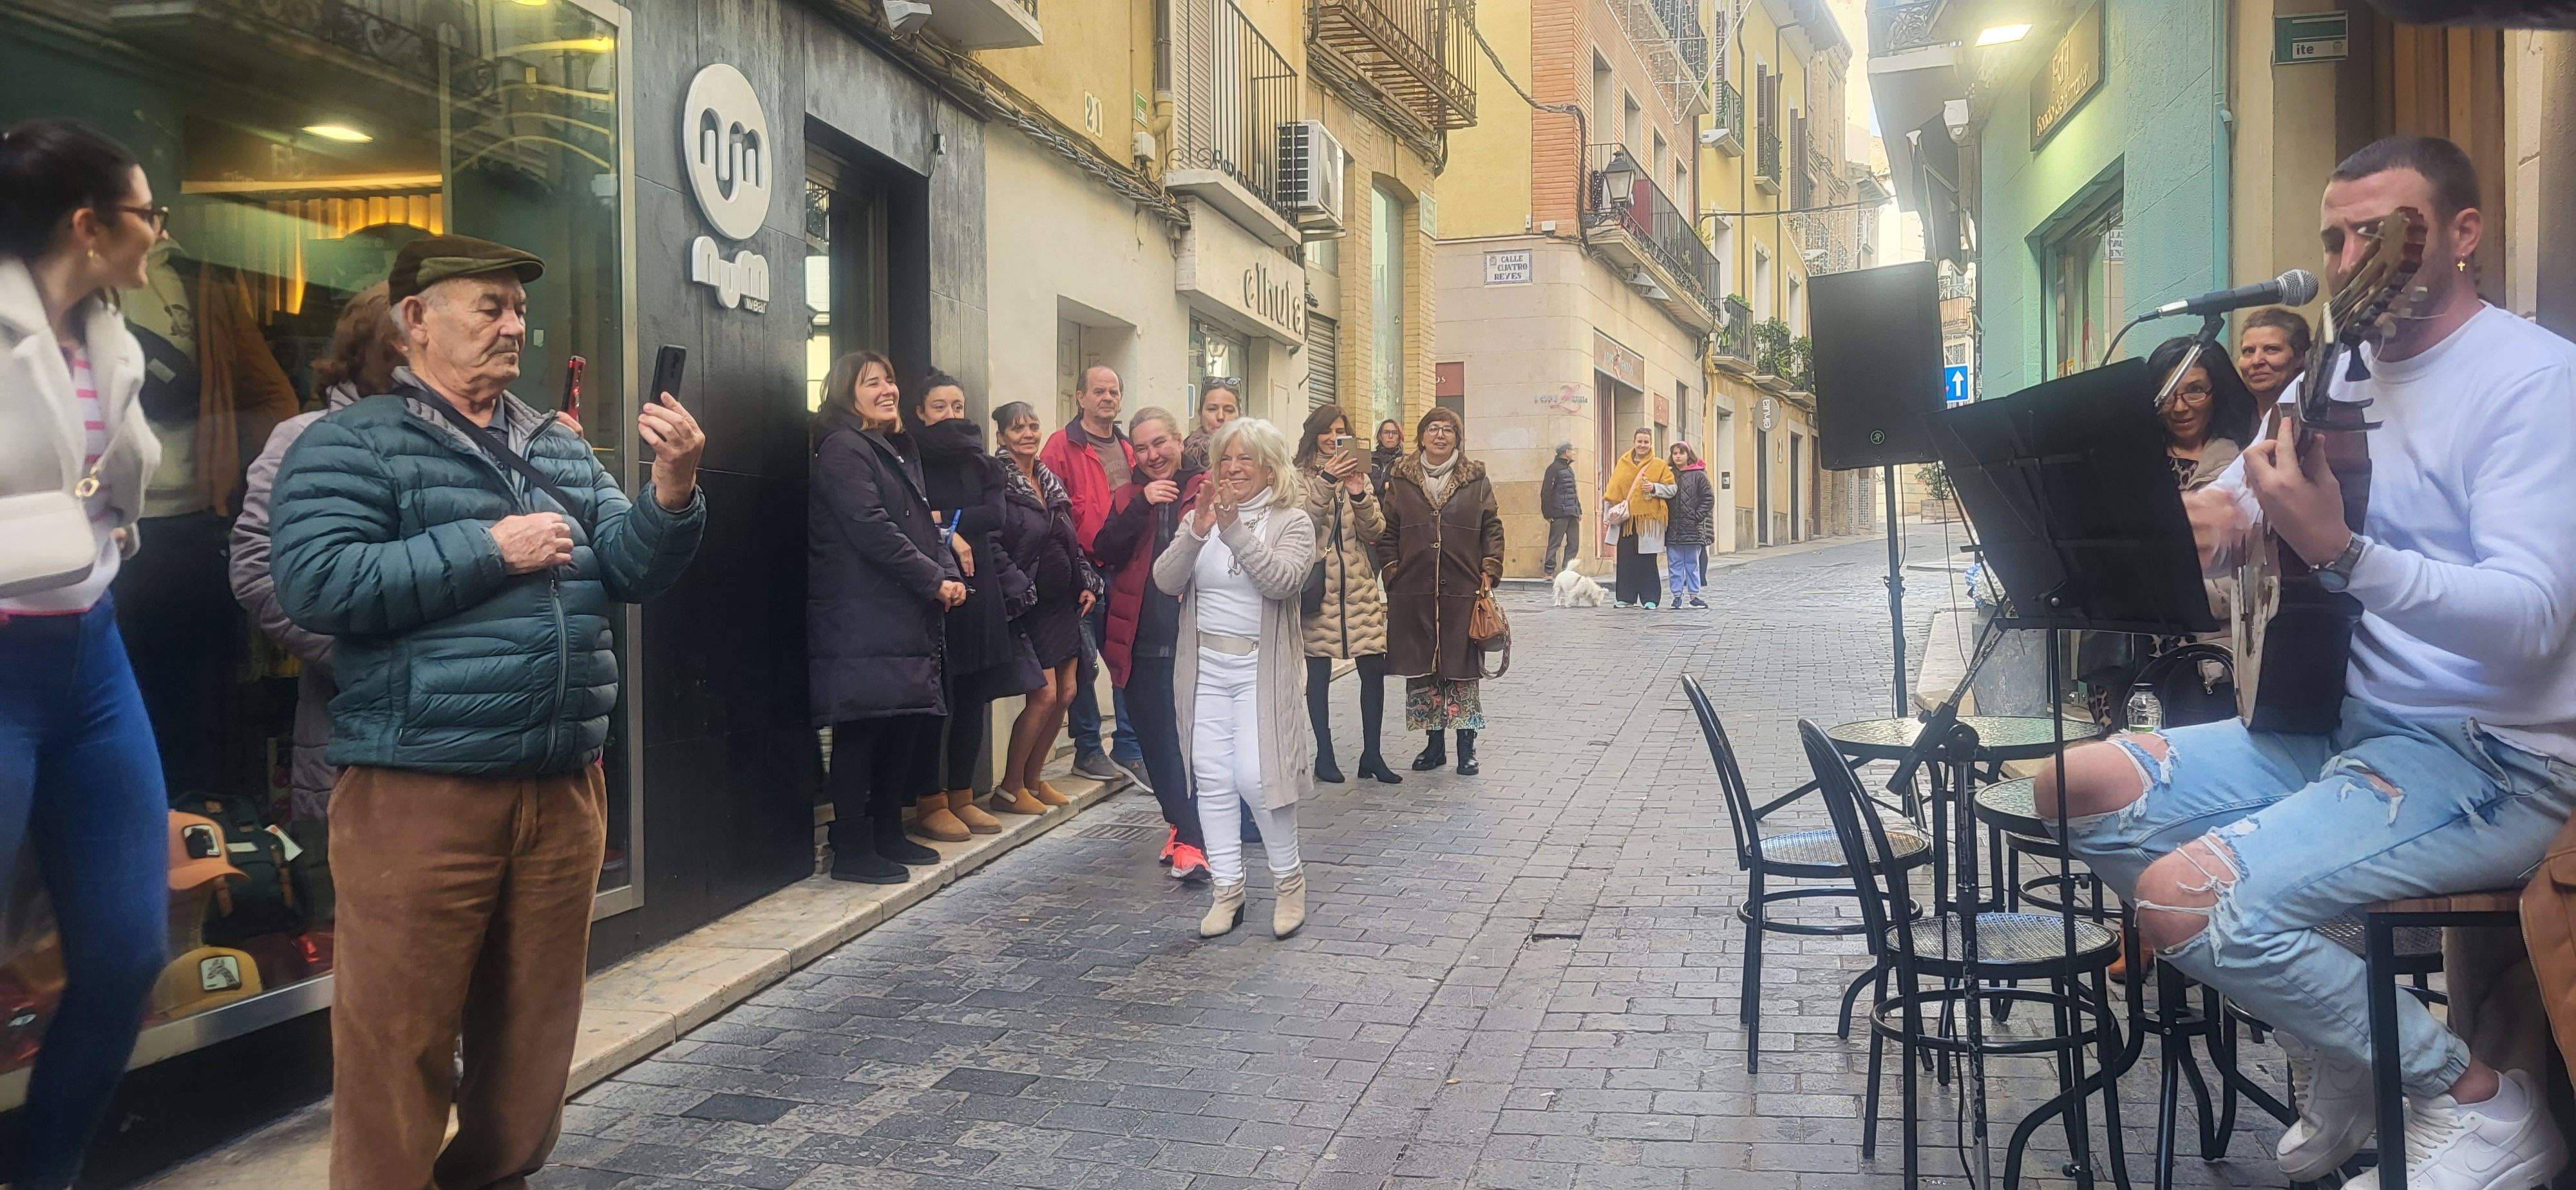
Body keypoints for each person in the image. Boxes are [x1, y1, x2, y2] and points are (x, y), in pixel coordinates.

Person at [2038, 136, 2576, 1190]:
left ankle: (2476, 1100)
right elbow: (2232, 510)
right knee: (2075, 783)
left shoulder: (2535, 381)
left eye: (2376, 233)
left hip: (2494, 758)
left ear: (2462, 233)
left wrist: (2340, 550)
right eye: (2335, 237)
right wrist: (2184, 524)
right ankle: (2339, 1044)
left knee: (2182, 899)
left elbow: (2535, 624)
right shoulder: (2339, 372)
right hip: (2345, 724)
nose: (2347, 256)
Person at [269, 233, 706, 1188]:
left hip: (560, 791)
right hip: (420, 791)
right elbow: (312, 582)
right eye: (490, 307)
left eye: (519, 309)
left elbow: (630, 567)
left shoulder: (551, 440)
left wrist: (671, 493)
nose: (515, 326)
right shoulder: (347, 442)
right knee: (399, 1046)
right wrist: (488, 547)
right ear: (415, 320)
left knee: (531, 1048)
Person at [0, 117, 173, 1190]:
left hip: (94, 659)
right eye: (150, 212)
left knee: (125, 953)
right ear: (89, 223)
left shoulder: (107, 333)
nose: (161, 231)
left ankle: (42, 1173)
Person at [229, 283, 402, 923]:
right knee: (358, 946)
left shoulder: (468, 437)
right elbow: (256, 568)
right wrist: (367, 658)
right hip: (349, 741)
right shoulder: (306, 437)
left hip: (462, 761)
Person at [1150, 418, 1316, 939]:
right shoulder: (1203, 517)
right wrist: (1197, 532)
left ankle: (1289, 883)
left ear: (1270, 466)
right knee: (1214, 778)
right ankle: (1229, 890)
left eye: (1246, 459)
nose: (1234, 468)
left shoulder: (1292, 521)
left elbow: (1283, 581)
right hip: (1205, 669)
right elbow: (1165, 580)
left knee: (1257, 777)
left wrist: (1232, 530)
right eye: (1226, 458)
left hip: (1259, 670)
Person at [806, 350, 956, 881]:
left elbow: (920, 523)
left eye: (890, 379)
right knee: (863, 727)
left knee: (901, 723)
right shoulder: (845, 447)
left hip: (900, 608)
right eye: (873, 383)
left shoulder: (893, 446)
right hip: (862, 611)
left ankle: (888, 831)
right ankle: (850, 847)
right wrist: (931, 577)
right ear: (847, 393)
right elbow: (870, 528)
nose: (887, 389)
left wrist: (944, 571)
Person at [907, 370, 1037, 842]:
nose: (950, 415)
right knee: (936, 699)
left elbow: (995, 515)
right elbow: (908, 514)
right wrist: (950, 528)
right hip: (935, 590)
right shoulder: (910, 458)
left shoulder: (983, 463)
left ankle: (963, 794)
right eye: (939, 407)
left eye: (957, 406)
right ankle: (929, 799)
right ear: (920, 412)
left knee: (973, 697)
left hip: (980, 590)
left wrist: (946, 518)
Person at [1093, 407, 1210, 880]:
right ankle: (1182, 826)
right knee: (1157, 744)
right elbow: (1105, 550)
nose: (1152, 455)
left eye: (1159, 443)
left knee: (1196, 746)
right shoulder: (1127, 496)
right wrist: (1142, 503)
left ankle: (1190, 839)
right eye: (1140, 448)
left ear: (1179, 441)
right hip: (1139, 640)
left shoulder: (1205, 488)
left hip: (1194, 640)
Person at [1376, 407, 1504, 777]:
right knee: (1424, 669)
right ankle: (1434, 747)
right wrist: (1392, 571)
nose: (1440, 435)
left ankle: (1467, 747)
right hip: (1414, 587)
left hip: (1462, 585)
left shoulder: (1475, 477)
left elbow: (1492, 526)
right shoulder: (1401, 477)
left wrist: (1489, 569)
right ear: (1421, 437)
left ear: (1457, 438)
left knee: (1462, 668)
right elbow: (1388, 531)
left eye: (1448, 430)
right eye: (1433, 429)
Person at [1037, 364, 1144, 789]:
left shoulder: (1129, 447)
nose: (1107, 398)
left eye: (1113, 391)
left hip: (1124, 572)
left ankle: (1130, 747)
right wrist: (1072, 572)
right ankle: (1087, 749)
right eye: (1098, 391)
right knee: (1082, 667)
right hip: (1081, 575)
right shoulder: (1060, 447)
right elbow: (1050, 515)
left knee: (1123, 660)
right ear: (1080, 397)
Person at [997, 401, 1104, 814]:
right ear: (1003, 436)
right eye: (1017, 428)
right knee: (1043, 696)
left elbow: (1068, 540)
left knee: (1068, 694)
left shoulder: (1048, 479)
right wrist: (1019, 587)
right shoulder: (998, 482)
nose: (1027, 434)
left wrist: (1087, 583)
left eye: (1033, 425)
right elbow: (995, 543)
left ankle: (1033, 781)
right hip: (1030, 605)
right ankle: (1009, 787)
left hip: (1064, 605)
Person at [1294, 404, 1399, 786]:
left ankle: (1372, 755)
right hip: (1318, 586)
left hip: (1358, 584)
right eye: (1326, 431)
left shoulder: (1360, 474)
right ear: (1314, 434)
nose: (1332, 438)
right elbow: (1301, 521)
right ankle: (1325, 754)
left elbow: (1377, 528)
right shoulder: (1299, 476)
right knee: (1318, 671)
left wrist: (1358, 491)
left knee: (1374, 668)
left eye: (1340, 431)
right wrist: (1325, 479)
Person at [2146, 334, 2258, 491]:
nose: (2180, 408)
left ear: (2218, 393)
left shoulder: (2246, 456)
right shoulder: (2140, 459)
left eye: (2195, 390)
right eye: (2166, 394)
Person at [1603, 428, 1673, 608]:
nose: (1642, 445)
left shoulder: (1659, 465)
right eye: (1640, 441)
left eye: (1646, 442)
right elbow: (1612, 490)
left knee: (1647, 561)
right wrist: (1607, 516)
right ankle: (1626, 598)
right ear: (1634, 442)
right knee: (1626, 560)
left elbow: (1672, 489)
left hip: (1649, 522)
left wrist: (1655, 488)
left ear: (1651, 444)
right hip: (1626, 521)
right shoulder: (1623, 463)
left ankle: (1650, 598)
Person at [1663, 442, 1714, 609]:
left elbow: (1708, 498)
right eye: (1675, 453)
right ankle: (1677, 596)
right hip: (1673, 529)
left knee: (1692, 563)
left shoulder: (1698, 475)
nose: (1678, 456)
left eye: (1681, 453)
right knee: (1674, 563)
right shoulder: (1668, 475)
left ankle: (1694, 595)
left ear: (1688, 455)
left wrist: (1697, 516)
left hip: (1692, 528)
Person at [2237, 306, 2313, 408]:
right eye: (2249, 351)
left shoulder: (2318, 418)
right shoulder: (2229, 420)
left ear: (2300, 357)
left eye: (2272, 349)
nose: (2256, 361)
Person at [1179, 377, 1242, 472]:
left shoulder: (1256, 454)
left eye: (1229, 410)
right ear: (1200, 413)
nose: (1220, 417)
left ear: (1240, 415)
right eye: (1212, 409)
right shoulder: (1182, 456)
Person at [1539, 440, 1582, 574]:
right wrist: (1547, 513)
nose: (1574, 452)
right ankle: (1549, 572)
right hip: (1559, 513)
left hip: (1572, 513)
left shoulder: (1569, 469)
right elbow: (1546, 492)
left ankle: (1567, 571)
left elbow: (1573, 492)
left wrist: (1578, 509)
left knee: (1574, 544)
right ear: (1566, 452)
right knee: (1555, 543)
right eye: (1572, 450)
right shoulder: (1553, 468)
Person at [1370, 418, 1404, 495]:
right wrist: (1384, 485)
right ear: (1380, 436)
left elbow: (1404, 488)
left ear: (1399, 437)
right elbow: (1363, 483)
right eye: (1386, 432)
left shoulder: (1404, 461)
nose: (1391, 436)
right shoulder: (1370, 458)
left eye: (1395, 433)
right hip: (1370, 504)